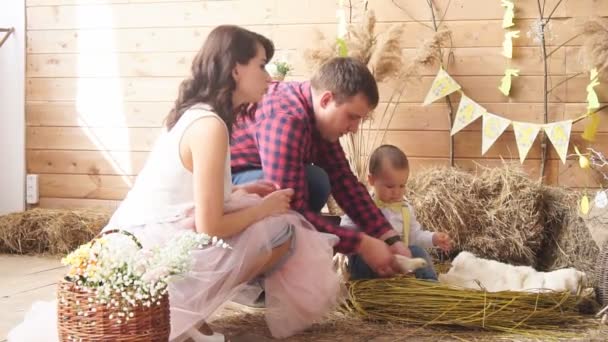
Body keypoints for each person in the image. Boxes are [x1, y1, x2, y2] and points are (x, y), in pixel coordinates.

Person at [8, 25, 340, 342]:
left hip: (151, 231)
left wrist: (240, 192)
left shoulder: (197, 114)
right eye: (260, 65)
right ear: (236, 69)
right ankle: (186, 313)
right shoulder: (210, 126)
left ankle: (186, 313)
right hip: (156, 244)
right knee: (281, 228)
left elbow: (182, 190)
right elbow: (211, 225)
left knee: (259, 211)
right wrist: (265, 207)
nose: (269, 77)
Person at [230, 57, 410, 283]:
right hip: (230, 186)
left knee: (318, 180)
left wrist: (390, 238)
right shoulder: (286, 120)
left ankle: (274, 259)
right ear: (326, 99)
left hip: (260, 176)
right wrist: (361, 244)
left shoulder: (319, 117)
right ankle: (254, 272)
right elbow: (291, 210)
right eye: (352, 117)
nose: (354, 129)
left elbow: (344, 181)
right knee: (312, 182)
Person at [341, 144, 453, 280]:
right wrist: (365, 244)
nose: (397, 192)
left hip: (398, 260)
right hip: (370, 259)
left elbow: (414, 236)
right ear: (371, 180)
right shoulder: (361, 205)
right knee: (359, 259)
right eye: (390, 186)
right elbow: (346, 230)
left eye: (402, 185)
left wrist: (433, 238)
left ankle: (430, 285)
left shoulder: (405, 209)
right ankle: (365, 287)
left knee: (418, 252)